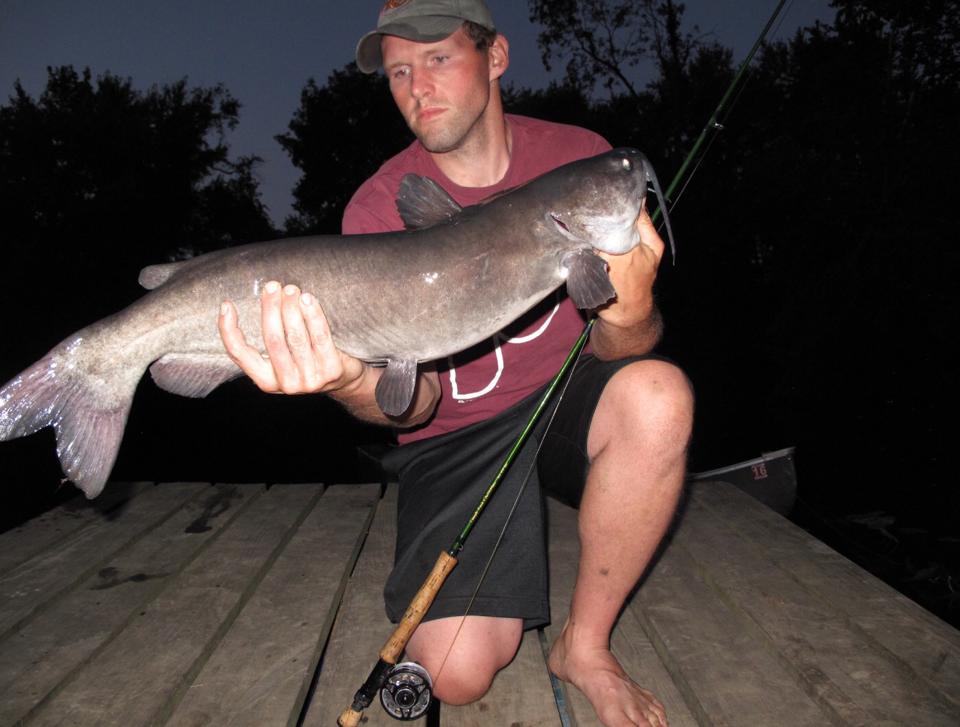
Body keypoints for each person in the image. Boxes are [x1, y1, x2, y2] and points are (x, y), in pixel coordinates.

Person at [218, 2, 693, 725]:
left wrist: (629, 313)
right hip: (455, 435)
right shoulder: (380, 205)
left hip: (560, 403)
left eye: (438, 58)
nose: (417, 86)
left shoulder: (576, 159)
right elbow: (416, 402)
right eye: (400, 71)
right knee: (455, 672)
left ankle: (585, 646)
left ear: (496, 56)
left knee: (659, 394)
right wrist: (351, 379)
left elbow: (622, 352)